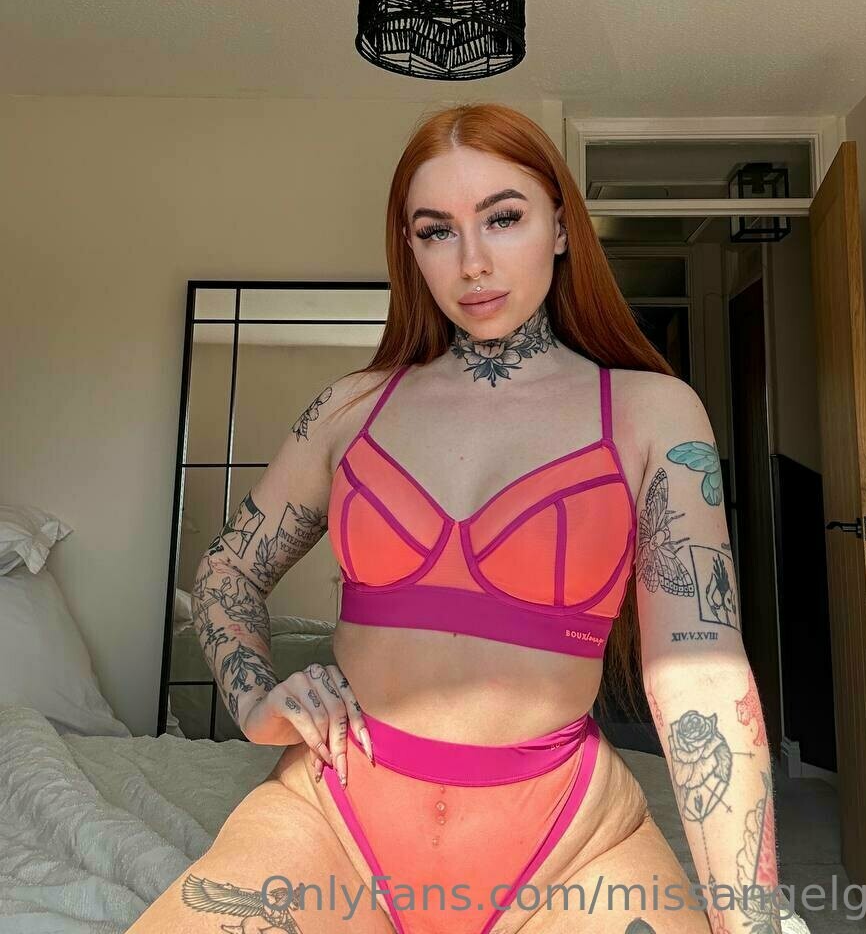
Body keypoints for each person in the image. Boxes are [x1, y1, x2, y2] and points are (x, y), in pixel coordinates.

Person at [130, 103, 788, 934]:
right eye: (436, 230)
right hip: (331, 820)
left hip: (571, 845)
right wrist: (256, 699)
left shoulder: (653, 412)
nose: (472, 262)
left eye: (502, 218)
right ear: (410, 248)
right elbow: (228, 568)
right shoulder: (348, 408)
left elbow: (700, 673)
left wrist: (751, 917)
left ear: (560, 226)